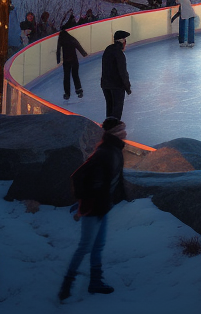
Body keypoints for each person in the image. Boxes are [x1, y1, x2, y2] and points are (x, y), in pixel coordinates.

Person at [58, 117, 128, 300]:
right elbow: (81, 176)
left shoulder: (114, 150)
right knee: (85, 247)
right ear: (116, 133)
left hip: (102, 207)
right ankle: (67, 284)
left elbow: (112, 179)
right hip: (93, 209)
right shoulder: (105, 152)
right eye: (122, 129)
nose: (126, 133)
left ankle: (95, 282)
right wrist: (85, 203)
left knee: (97, 246)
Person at [100, 31, 131, 121]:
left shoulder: (108, 49)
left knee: (109, 108)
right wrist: (127, 87)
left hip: (105, 85)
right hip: (116, 86)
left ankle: (108, 130)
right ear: (123, 42)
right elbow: (123, 72)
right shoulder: (119, 53)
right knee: (117, 110)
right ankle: (114, 131)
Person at [56, 18, 87, 101]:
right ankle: (79, 90)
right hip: (74, 60)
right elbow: (77, 45)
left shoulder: (61, 39)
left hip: (66, 61)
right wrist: (83, 53)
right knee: (75, 75)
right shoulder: (70, 38)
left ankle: (67, 94)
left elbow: (58, 49)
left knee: (66, 77)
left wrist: (58, 59)